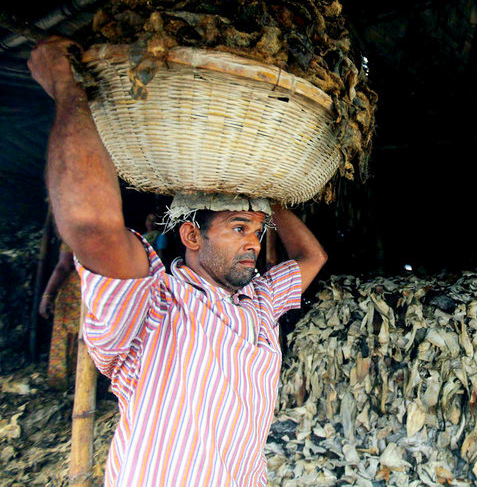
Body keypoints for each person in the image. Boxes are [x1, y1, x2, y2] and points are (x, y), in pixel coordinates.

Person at [28, 36, 328, 486]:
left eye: (257, 231)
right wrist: (68, 91)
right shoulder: (155, 305)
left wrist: (267, 202)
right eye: (238, 227)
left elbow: (313, 256)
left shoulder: (260, 301)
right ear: (191, 234)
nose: (254, 242)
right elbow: (92, 227)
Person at [39, 240, 81, 390]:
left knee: (63, 334)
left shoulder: (71, 238)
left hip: (73, 292)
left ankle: (60, 382)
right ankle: (82, 381)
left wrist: (47, 296)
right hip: (96, 291)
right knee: (85, 337)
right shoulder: (106, 236)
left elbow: (63, 267)